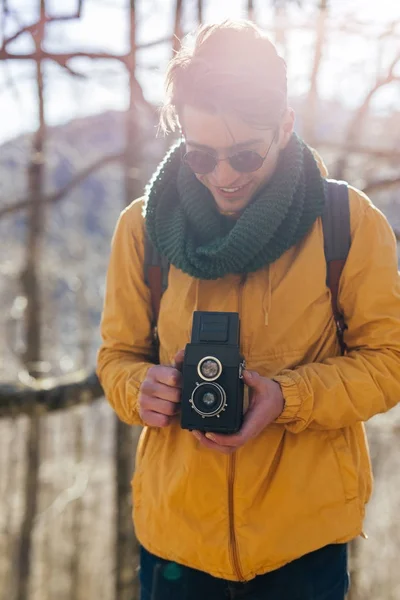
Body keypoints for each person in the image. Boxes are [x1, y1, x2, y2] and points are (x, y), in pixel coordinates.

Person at [97, 19, 400, 600]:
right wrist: (143, 388)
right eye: (201, 156)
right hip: (175, 549)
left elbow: (388, 362)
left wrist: (288, 398)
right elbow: (116, 359)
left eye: (244, 155)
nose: (225, 177)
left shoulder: (347, 222)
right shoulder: (142, 229)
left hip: (302, 550)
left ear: (285, 127)